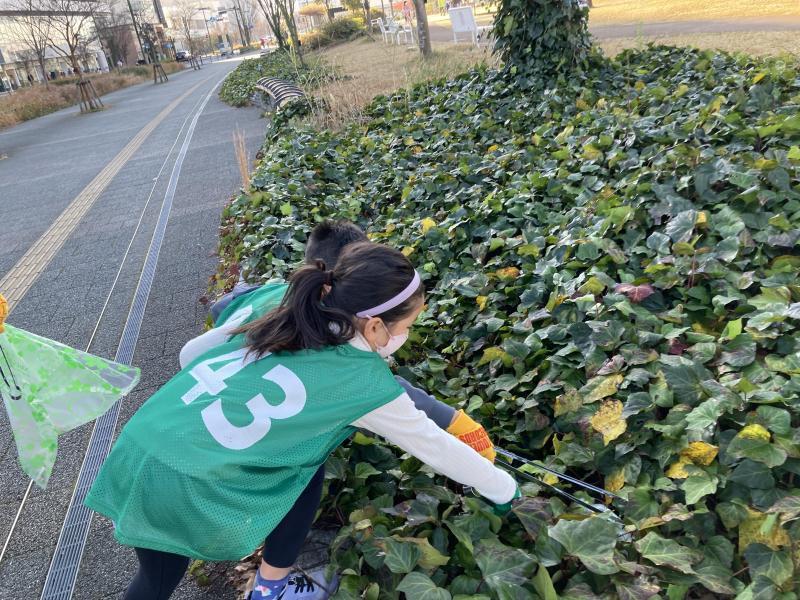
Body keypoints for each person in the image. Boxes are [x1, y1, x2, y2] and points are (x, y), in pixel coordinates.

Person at [85, 242, 519, 600]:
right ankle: (271, 590)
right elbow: (434, 445)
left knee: (156, 579)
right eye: (407, 324)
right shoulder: (364, 384)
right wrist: (502, 488)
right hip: (193, 484)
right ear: (373, 328)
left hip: (144, 444)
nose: (406, 335)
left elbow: (191, 355)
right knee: (303, 464)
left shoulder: (280, 299)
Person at [196, 221, 495, 461]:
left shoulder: (290, 293)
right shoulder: (317, 329)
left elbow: (221, 305)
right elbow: (369, 384)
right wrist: (451, 420)